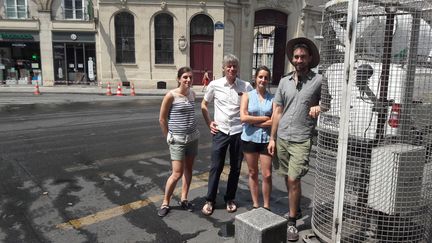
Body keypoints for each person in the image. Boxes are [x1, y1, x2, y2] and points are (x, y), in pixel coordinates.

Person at [267, 37, 329, 241]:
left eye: (303, 56)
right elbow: (277, 111)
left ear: (310, 58)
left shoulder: (319, 81)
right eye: (296, 57)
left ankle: (292, 221)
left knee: (294, 178)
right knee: (287, 176)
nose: (299, 60)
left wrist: (320, 107)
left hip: (302, 139)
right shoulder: (284, 81)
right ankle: (298, 209)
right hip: (283, 137)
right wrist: (272, 138)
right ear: (292, 59)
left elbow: (328, 104)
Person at [201, 54, 253, 216]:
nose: (231, 69)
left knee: (236, 168)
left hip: (238, 132)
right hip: (221, 131)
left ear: (238, 69)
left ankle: (230, 198)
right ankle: (210, 200)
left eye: (234, 66)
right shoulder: (215, 85)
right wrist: (209, 122)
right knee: (216, 167)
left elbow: (254, 103)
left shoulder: (245, 86)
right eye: (228, 66)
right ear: (223, 68)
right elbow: (204, 104)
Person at [158, 66, 200, 217]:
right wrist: (167, 135)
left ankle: (184, 198)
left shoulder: (192, 94)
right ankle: (165, 202)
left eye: (190, 77)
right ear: (179, 79)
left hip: (193, 138)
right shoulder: (171, 95)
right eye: (185, 77)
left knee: (188, 170)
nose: (188, 80)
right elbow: (162, 119)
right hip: (178, 139)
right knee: (176, 173)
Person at [240, 66, 276, 211]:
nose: (263, 80)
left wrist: (253, 120)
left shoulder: (273, 99)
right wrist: (263, 119)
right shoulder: (247, 96)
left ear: (268, 80)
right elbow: (243, 117)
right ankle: (255, 204)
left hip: (266, 140)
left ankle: (266, 205)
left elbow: (274, 121)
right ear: (255, 78)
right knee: (253, 172)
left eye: (266, 77)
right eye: (260, 77)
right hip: (249, 139)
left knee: (267, 174)